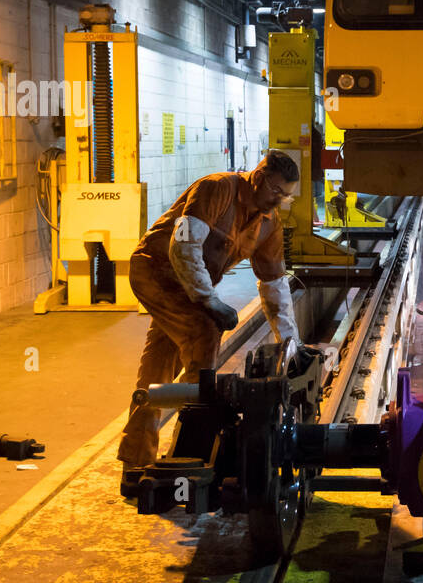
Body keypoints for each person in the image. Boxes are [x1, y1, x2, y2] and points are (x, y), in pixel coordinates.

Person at [118, 150, 301, 494]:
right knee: (203, 333)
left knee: (157, 368)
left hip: (188, 289)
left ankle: (135, 461)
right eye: (276, 191)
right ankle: (190, 452)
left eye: (286, 195)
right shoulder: (216, 189)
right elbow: (183, 247)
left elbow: (274, 285)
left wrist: (292, 344)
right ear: (258, 178)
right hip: (155, 272)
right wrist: (209, 300)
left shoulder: (267, 224)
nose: (280, 201)